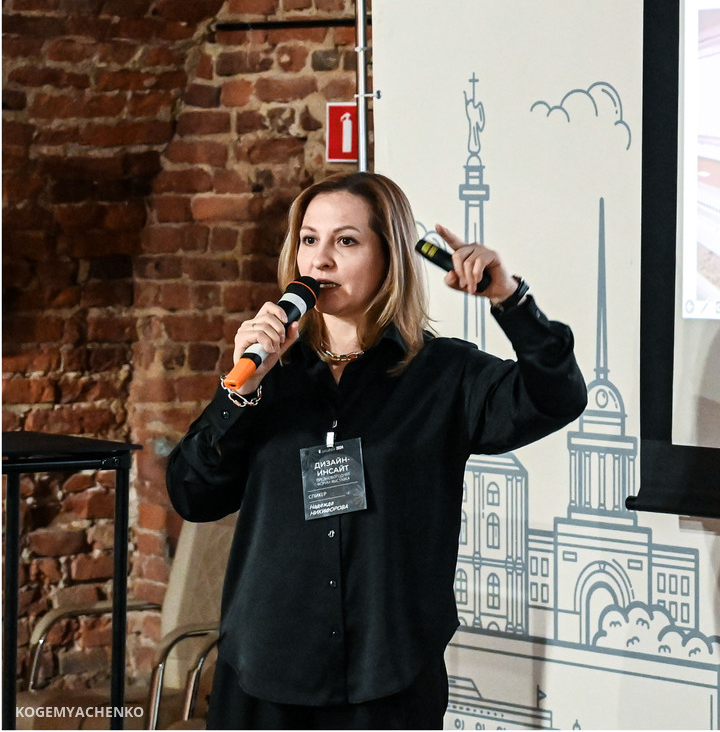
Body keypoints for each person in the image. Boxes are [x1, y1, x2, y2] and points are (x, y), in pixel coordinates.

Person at [167, 173, 587, 730]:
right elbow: (192, 494)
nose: (321, 259)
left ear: (390, 257)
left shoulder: (444, 375)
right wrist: (238, 393)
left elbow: (557, 397)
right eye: (309, 240)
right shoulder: (269, 377)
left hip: (386, 679)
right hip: (266, 674)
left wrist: (510, 300)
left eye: (345, 241)